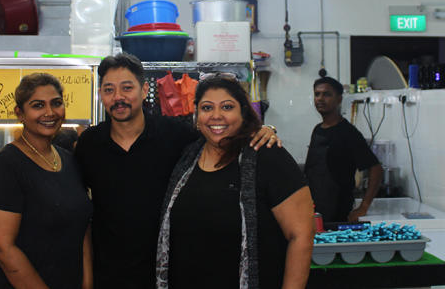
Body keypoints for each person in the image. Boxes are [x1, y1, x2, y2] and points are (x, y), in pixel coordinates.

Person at [74, 53, 279, 289]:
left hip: (170, 274)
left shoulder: (175, 135)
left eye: (127, 88)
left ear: (143, 90)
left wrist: (262, 130)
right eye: (109, 90)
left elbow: (222, 135)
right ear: (100, 94)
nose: (118, 97)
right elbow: (80, 213)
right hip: (108, 275)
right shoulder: (90, 144)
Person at [155, 75, 314, 289]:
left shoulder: (266, 156)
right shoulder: (187, 157)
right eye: (207, 108)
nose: (216, 116)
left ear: (243, 113)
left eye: (227, 107)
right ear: (197, 115)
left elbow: (301, 235)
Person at [0, 73, 93, 289]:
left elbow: (82, 228)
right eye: (38, 105)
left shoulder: (68, 161)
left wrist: (87, 284)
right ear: (20, 113)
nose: (49, 112)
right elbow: (2, 248)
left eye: (56, 103)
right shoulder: (5, 167)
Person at [304, 76, 383, 223]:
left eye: (327, 94)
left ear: (339, 99)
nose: (320, 98)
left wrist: (363, 207)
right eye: (317, 94)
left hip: (339, 213)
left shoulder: (348, 133)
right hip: (315, 211)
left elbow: (376, 169)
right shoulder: (317, 130)